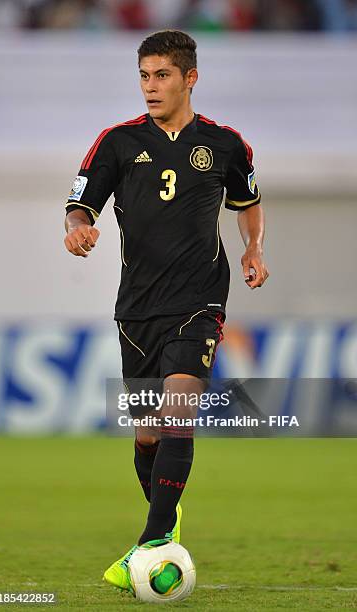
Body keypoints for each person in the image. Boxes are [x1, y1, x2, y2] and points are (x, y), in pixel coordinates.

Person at [64, 29, 269, 593]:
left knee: (179, 412)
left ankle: (151, 541)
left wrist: (253, 248)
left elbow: (249, 204)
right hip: (137, 309)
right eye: (144, 76)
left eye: (161, 76)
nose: (150, 87)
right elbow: (81, 205)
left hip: (200, 299)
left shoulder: (225, 145)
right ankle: (166, 516)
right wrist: (78, 229)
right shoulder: (117, 142)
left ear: (189, 78)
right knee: (149, 436)